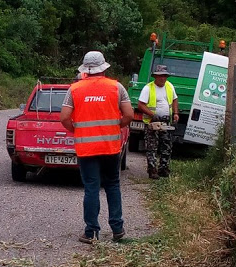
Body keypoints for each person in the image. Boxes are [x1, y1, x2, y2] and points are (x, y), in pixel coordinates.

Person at [60, 51, 133, 243]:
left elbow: (64, 117)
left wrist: (76, 130)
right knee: (112, 185)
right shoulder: (117, 87)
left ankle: (91, 232)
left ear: (85, 69)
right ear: (103, 67)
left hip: (87, 149)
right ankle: (117, 229)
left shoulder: (74, 90)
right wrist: (117, 126)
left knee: (91, 188)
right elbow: (129, 114)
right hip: (110, 147)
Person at [137, 64, 179, 179]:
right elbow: (140, 105)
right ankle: (152, 170)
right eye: (160, 76)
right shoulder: (148, 88)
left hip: (166, 121)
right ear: (155, 76)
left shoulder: (169, 86)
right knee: (152, 146)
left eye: (165, 76)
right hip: (152, 121)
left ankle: (163, 169)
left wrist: (176, 113)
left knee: (166, 145)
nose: (163, 78)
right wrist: (152, 115)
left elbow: (175, 100)